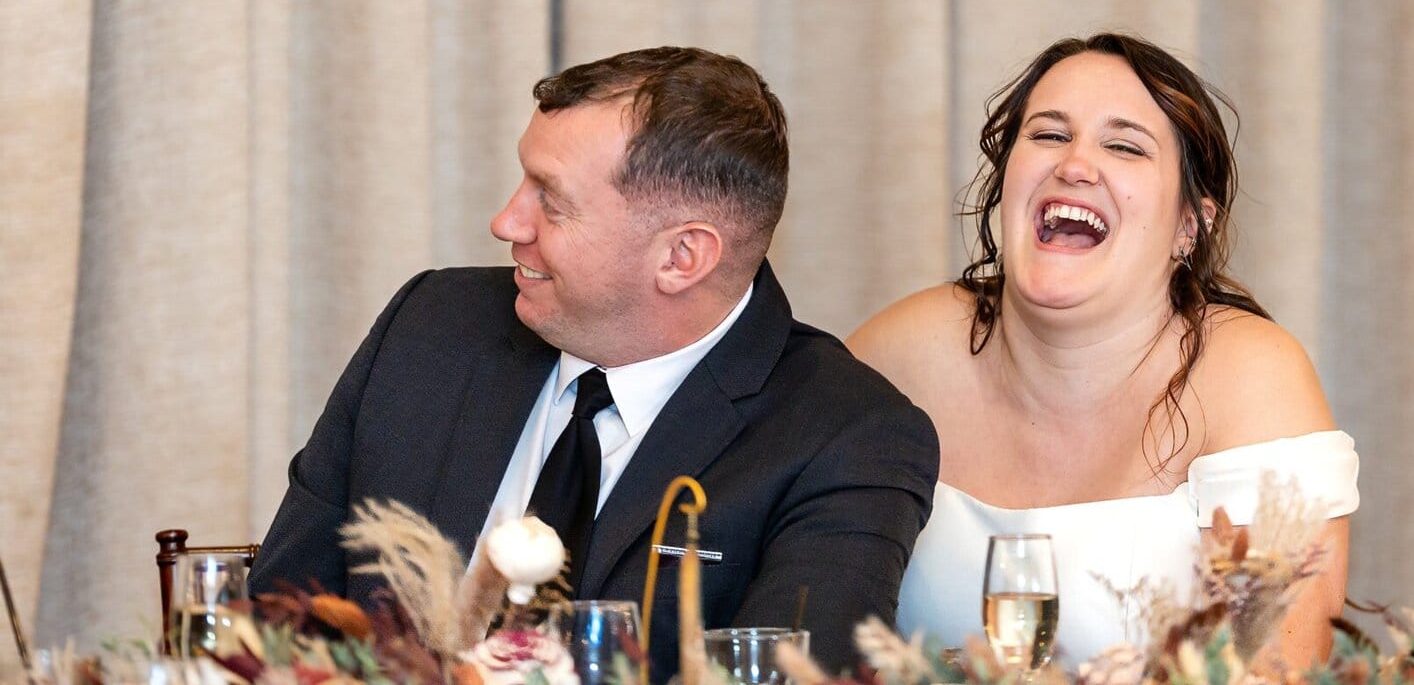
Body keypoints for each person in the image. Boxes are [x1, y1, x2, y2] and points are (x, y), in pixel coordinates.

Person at [252, 47, 939, 678]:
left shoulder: (848, 438)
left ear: (681, 257)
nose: (507, 222)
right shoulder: (430, 329)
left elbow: (792, 677)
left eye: (549, 199)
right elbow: (276, 623)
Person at [849, 33, 1357, 669]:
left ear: (1188, 227)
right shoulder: (897, 356)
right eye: (1048, 135)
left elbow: (1275, 669)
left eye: (1123, 146)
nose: (1075, 165)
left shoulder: (1254, 379)